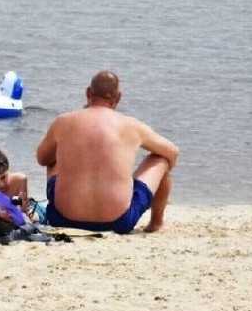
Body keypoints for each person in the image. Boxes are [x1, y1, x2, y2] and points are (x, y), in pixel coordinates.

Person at [35, 71, 179, 234]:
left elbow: (42, 158)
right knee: (162, 157)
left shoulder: (63, 121)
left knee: (51, 157)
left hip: (62, 219)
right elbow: (173, 153)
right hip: (118, 222)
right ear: (118, 97)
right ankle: (156, 223)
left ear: (88, 92)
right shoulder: (132, 125)